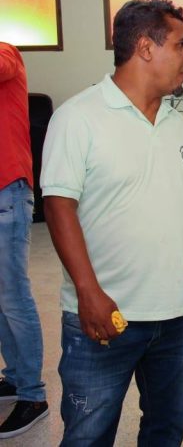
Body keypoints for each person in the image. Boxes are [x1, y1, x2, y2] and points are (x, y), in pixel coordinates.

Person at [40, 0, 183, 446]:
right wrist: (87, 292)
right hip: (104, 317)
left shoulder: (177, 124)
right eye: (181, 45)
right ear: (145, 47)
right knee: (88, 435)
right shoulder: (78, 118)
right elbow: (57, 206)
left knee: (166, 429)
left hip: (175, 318)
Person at [0, 42, 48, 439]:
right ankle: (14, 377)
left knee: (15, 295)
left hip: (8, 193)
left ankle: (33, 394)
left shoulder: (7, 53)